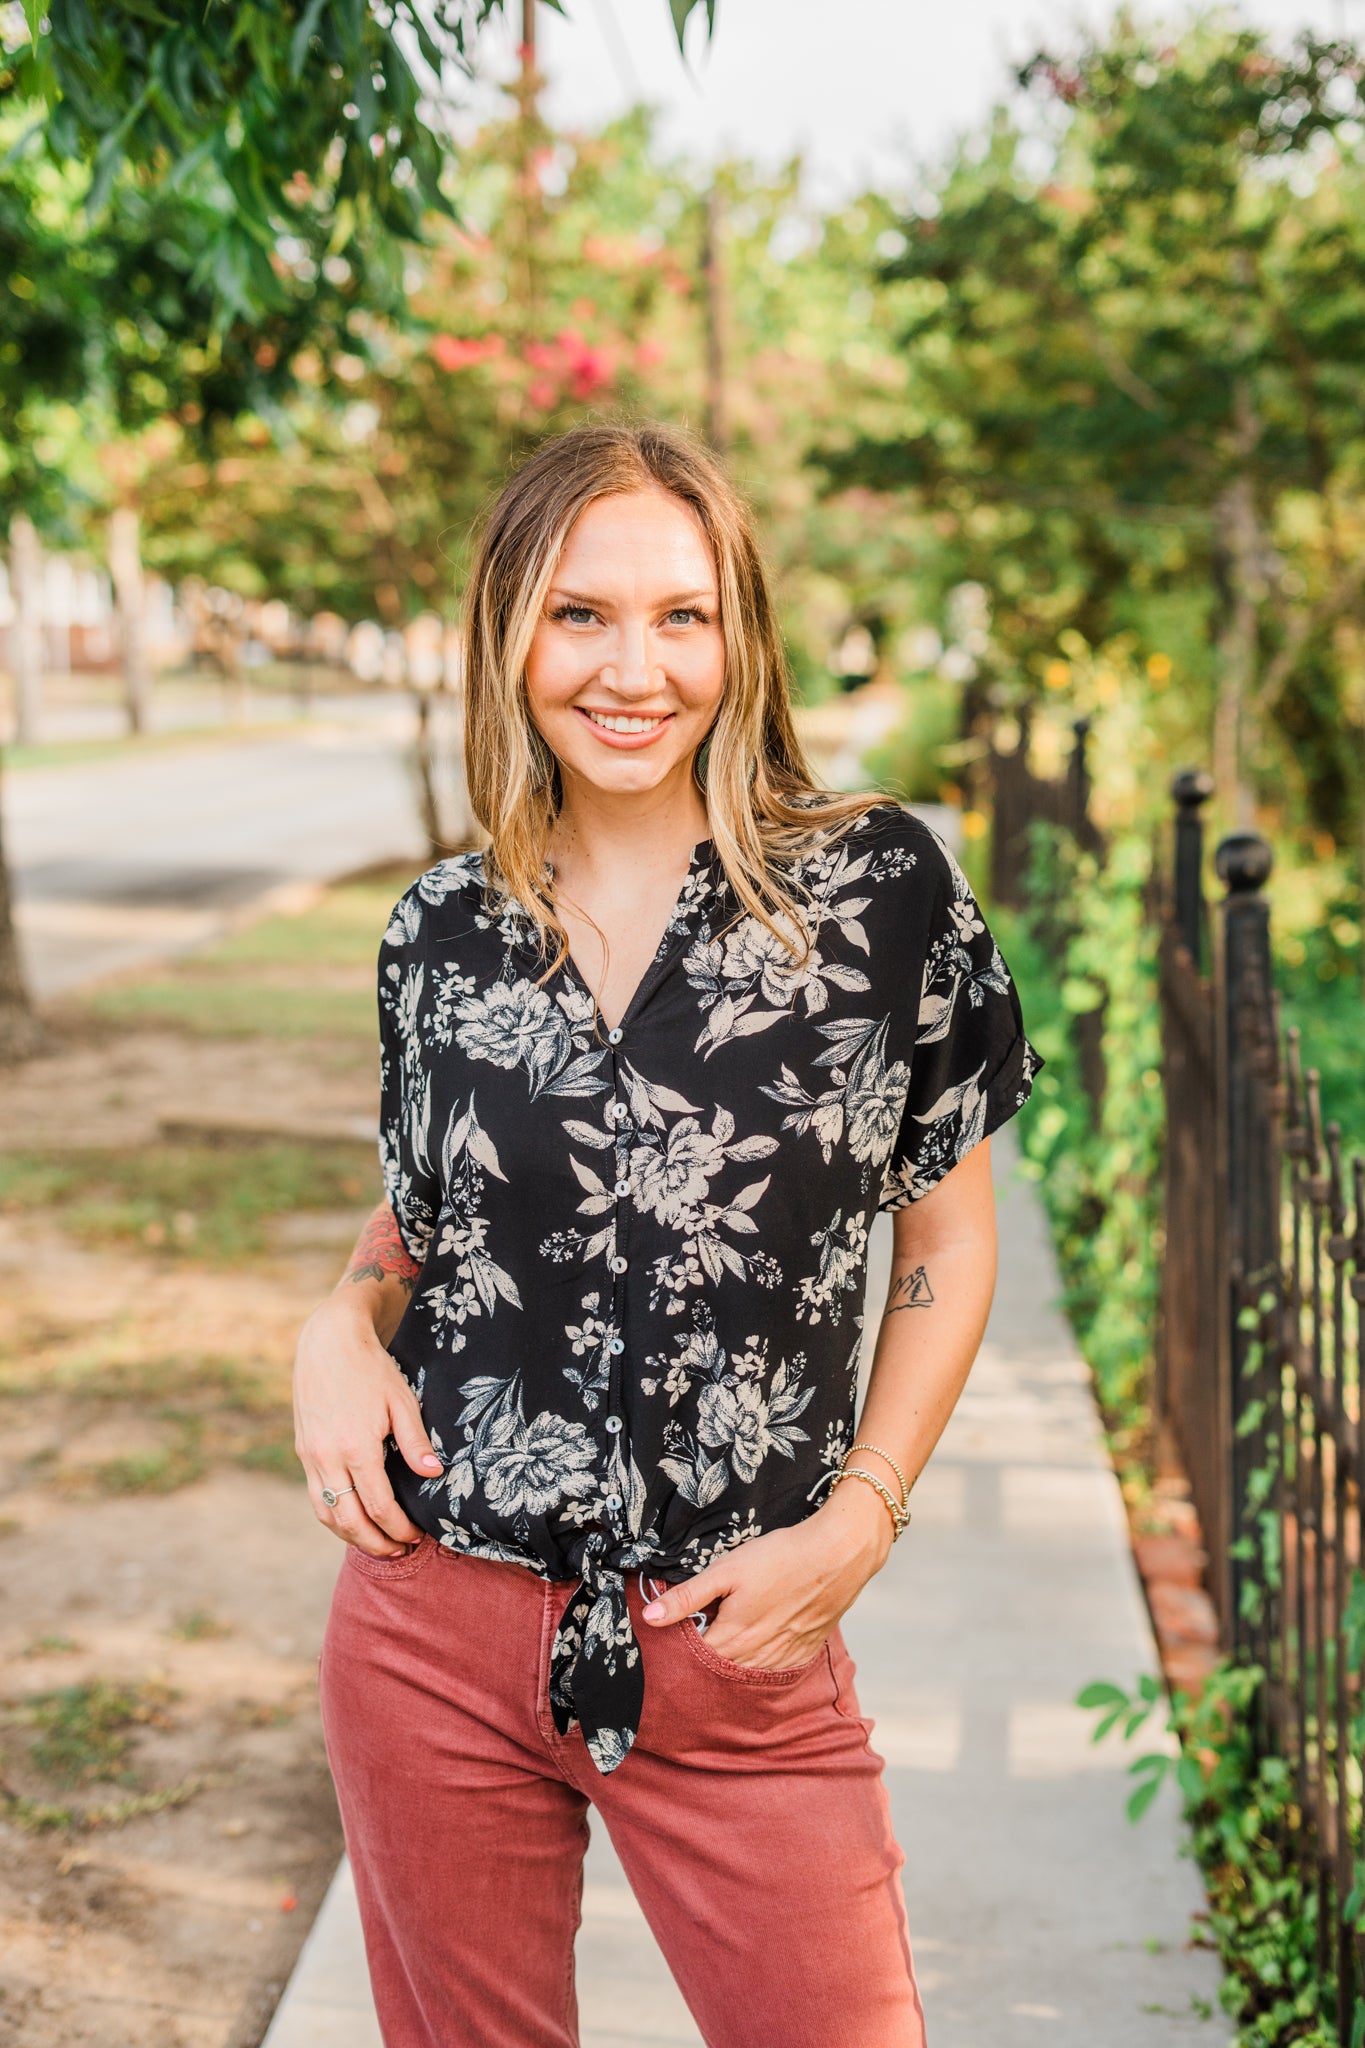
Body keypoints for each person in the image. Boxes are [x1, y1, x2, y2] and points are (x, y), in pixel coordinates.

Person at [293, 422, 1038, 2048]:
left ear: (738, 636)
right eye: (579, 615)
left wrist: (865, 1513)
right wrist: (335, 1328)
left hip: (739, 1637)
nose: (633, 668)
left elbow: (948, 1240)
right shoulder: (443, 930)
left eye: (680, 617)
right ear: (508, 632)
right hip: (432, 1626)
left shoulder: (874, 893)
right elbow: (430, 1227)